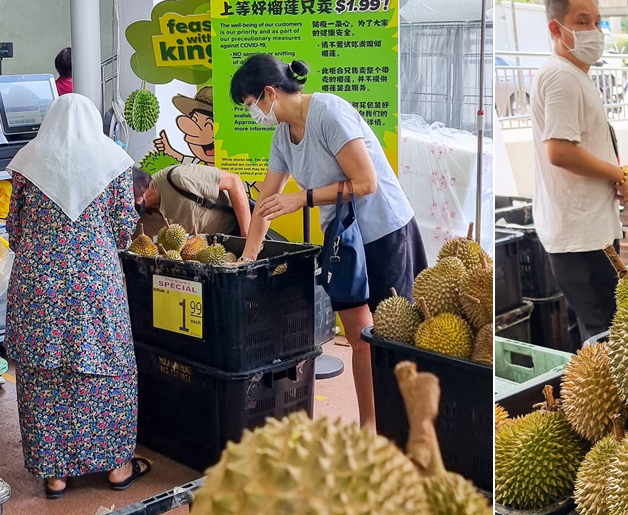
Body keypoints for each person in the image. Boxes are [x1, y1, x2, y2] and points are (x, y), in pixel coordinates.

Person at [231, 54, 425, 430]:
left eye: (251, 104)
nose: (253, 113)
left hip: (384, 230)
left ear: (270, 92)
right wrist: (247, 257)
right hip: (342, 241)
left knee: (395, 336)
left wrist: (302, 198)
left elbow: (365, 183)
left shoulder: (329, 112)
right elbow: (265, 206)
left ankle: (408, 429)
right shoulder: (282, 137)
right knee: (359, 336)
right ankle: (370, 427)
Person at [4, 95, 152, 498]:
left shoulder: (26, 163)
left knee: (43, 371)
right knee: (106, 365)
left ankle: (55, 475)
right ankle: (117, 467)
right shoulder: (112, 162)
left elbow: (14, 231)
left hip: (38, 284)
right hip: (94, 282)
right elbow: (124, 228)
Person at [529, 0, 628, 341]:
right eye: (582, 21)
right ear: (556, 29)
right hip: (581, 236)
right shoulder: (560, 76)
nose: (594, 31)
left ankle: (577, 397)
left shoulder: (574, 75)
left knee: (591, 333)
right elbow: (560, 151)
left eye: (597, 21)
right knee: (606, 335)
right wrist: (618, 173)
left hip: (586, 230)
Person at [134, 163, 251, 238]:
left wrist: (247, 238)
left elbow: (233, 181)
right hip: (212, 246)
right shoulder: (141, 220)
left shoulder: (179, 178)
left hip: (238, 228)